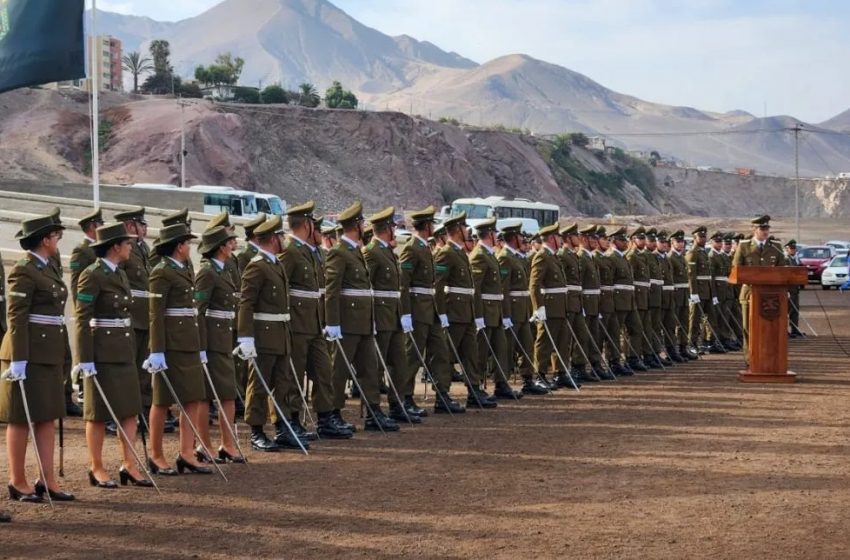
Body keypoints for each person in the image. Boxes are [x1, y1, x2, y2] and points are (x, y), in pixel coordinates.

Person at [0, 214, 74, 503]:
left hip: (48, 354)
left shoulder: (49, 267)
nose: (58, 241)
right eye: (56, 236)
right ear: (45, 239)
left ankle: (48, 479)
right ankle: (17, 481)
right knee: (21, 419)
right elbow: (16, 317)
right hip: (28, 354)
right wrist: (19, 359)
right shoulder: (24, 269)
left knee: (46, 417)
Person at [74, 222, 152, 488]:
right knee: (97, 413)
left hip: (123, 348)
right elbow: (82, 319)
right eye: (127, 243)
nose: (131, 246)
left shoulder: (120, 274)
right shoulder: (92, 274)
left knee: (129, 409)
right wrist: (84, 360)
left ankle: (129, 463)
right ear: (115, 247)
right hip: (102, 352)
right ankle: (96, 466)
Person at [325, 202, 399, 431]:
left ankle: (373, 412)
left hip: (364, 322)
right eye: (361, 223)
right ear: (356, 226)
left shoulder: (355, 250)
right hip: (347, 323)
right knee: (339, 370)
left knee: (369, 368)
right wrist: (332, 323)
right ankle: (333, 413)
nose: (363, 226)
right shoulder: (339, 252)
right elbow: (332, 290)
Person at [145, 223, 212, 475]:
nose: (190, 247)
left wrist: (200, 346)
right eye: (187, 243)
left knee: (192, 398)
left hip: (188, 343)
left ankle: (186, 452)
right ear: (179, 246)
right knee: (162, 401)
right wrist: (157, 349)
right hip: (171, 345)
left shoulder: (184, 269)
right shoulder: (161, 272)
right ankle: (156, 455)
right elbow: (156, 314)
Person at [281, 202, 351, 438]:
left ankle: (325, 418)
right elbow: (281, 288)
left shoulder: (309, 252)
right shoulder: (290, 251)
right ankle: (291, 420)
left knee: (323, 371)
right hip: (297, 325)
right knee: (294, 376)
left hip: (314, 324)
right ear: (308, 224)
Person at [236, 215, 304, 451]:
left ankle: (282, 427)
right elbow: (246, 303)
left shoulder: (275, 263)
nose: (284, 239)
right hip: (264, 335)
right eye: (281, 236)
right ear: (274, 238)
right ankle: (256, 430)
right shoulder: (257, 266)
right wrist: (245, 337)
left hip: (280, 333)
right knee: (260, 385)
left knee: (282, 382)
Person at [398, 207, 464, 414]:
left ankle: (442, 395)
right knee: (412, 356)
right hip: (418, 310)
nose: (434, 227)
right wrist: (406, 312)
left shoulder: (424, 247)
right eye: (432, 224)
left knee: (441, 353)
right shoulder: (411, 248)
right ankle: (404, 398)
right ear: (426, 226)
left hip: (431, 308)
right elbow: (403, 283)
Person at [194, 226, 246, 463]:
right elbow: (200, 312)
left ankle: (227, 444)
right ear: (221, 247)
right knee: (205, 396)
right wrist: (202, 346)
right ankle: (205, 445)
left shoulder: (224, 270)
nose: (233, 243)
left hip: (224, 338)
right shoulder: (207, 273)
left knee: (226, 393)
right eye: (229, 241)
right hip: (212, 342)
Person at [435, 213, 497, 407]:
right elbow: (438, 285)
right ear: (457, 230)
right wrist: (442, 312)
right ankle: (442, 395)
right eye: (464, 228)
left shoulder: (460, 252)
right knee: (446, 355)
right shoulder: (446, 252)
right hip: (454, 312)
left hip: (467, 311)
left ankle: (474, 389)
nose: (467, 231)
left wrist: (476, 314)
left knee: (471, 353)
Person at [114, 207, 160, 430]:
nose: (145, 228)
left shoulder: (143, 249)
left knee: (143, 368)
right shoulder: (122, 249)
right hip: (131, 315)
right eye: (142, 224)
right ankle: (123, 413)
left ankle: (142, 409)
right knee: (128, 368)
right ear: (131, 226)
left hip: (145, 316)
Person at [470, 218, 521, 399]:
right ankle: (475, 387)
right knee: (481, 352)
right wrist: (478, 315)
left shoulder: (489, 254)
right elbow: (475, 288)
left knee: (502, 348)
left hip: (496, 311)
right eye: (494, 233)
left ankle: (501, 384)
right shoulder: (478, 255)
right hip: (485, 310)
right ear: (490, 235)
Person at [498, 223, 549, 394]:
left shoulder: (519, 257)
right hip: (512, 310)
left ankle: (528, 380)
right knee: (507, 349)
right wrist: (505, 314)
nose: (523, 239)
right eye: (520, 237)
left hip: (523, 311)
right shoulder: (505, 257)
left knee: (527, 346)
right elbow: (504, 290)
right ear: (513, 238)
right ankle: (501, 384)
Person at [529, 223, 576, 388]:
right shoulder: (542, 256)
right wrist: (538, 307)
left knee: (563, 342)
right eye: (558, 237)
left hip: (560, 306)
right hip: (549, 307)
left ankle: (560, 373)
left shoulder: (553, 256)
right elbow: (534, 284)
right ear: (551, 238)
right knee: (545, 342)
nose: (560, 239)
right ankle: (540, 375)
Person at [731, 215, 787, 354]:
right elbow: (735, 269)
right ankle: (751, 359)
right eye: (762, 228)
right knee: (748, 328)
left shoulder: (776, 247)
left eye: (767, 228)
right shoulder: (744, 246)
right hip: (749, 293)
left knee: (770, 327)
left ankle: (769, 357)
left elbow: (783, 270)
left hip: (771, 297)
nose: (765, 231)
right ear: (754, 229)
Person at [687, 226, 723, 354]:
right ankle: (692, 344)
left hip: (707, 291)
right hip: (699, 292)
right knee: (695, 320)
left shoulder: (703, 253)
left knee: (712, 319)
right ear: (695, 238)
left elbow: (709, 276)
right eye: (700, 237)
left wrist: (713, 294)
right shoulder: (693, 252)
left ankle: (710, 342)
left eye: (704, 236)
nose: (703, 239)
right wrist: (694, 293)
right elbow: (691, 275)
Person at [784, 240, 805, 338]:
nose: (793, 250)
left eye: (794, 248)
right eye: (791, 249)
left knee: (795, 310)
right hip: (788, 289)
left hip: (795, 289)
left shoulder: (796, 259)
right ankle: (784, 330)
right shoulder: (785, 259)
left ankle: (794, 329)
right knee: (786, 311)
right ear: (787, 249)